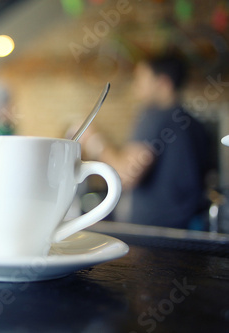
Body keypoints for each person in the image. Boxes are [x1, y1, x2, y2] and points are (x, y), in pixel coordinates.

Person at [79, 53, 210, 229]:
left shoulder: (155, 115)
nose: (135, 87)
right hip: (189, 229)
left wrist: (94, 140)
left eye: (141, 79)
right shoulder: (196, 125)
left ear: (163, 82)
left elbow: (126, 174)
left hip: (155, 235)